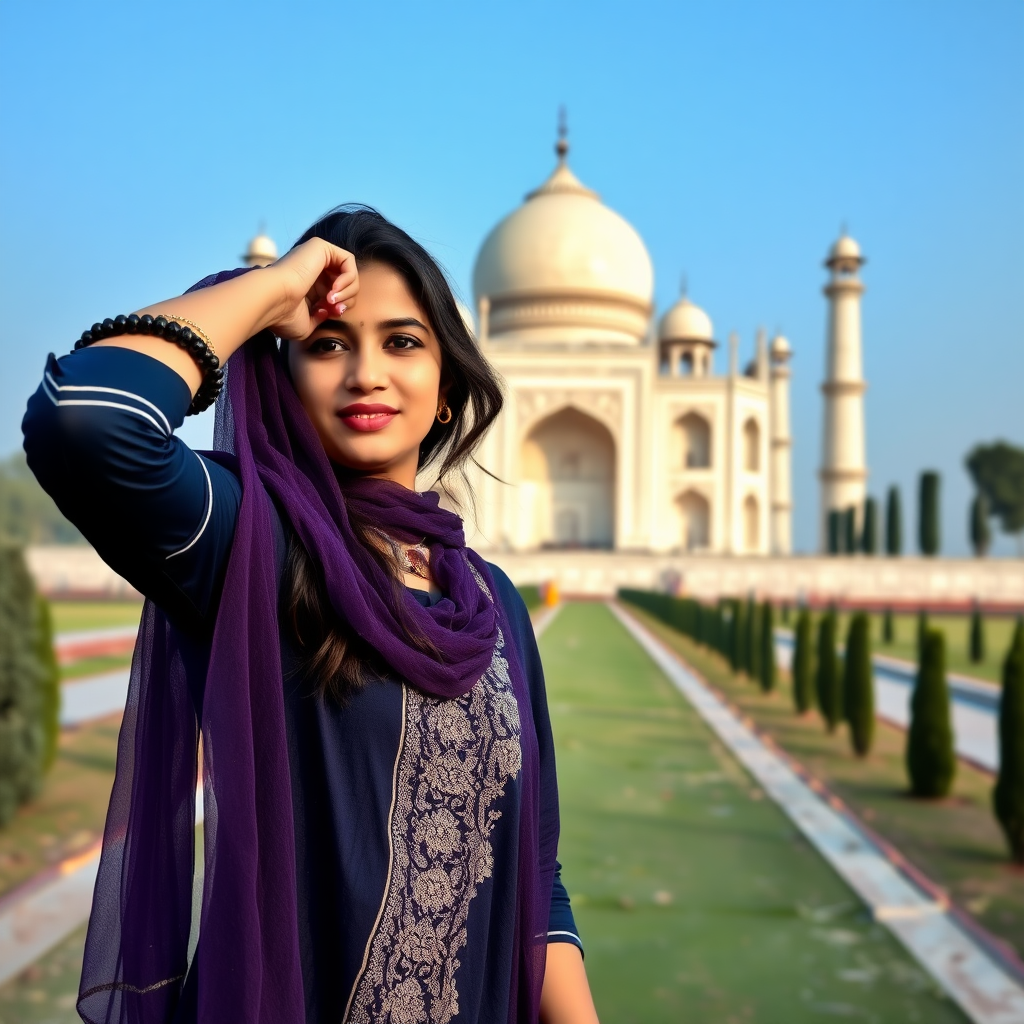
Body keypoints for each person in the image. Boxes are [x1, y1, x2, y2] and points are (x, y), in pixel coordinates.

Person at [23, 206, 600, 1024]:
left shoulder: (491, 600)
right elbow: (87, 415)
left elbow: (536, 872)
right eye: (330, 344)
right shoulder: (250, 547)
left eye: (403, 342)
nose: (366, 373)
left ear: (445, 389)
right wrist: (273, 290)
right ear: (284, 375)